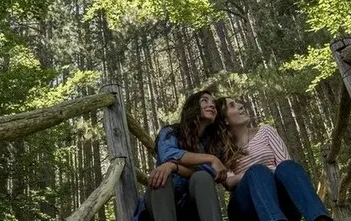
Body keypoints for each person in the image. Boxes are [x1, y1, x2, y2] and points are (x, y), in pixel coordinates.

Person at [215, 97, 332, 221]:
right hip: (249, 209)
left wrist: (262, 172)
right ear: (225, 120)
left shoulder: (266, 131)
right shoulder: (222, 147)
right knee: (258, 171)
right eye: (232, 105)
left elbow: (285, 168)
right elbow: (229, 182)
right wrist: (256, 173)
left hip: (283, 204)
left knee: (288, 166)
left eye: (237, 103)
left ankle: (320, 218)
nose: (240, 105)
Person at [134, 89, 227, 221]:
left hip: (192, 207)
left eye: (213, 103)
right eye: (204, 101)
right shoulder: (170, 132)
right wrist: (211, 159)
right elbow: (169, 154)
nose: (212, 105)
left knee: (202, 177)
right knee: (162, 177)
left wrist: (174, 167)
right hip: (159, 203)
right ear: (192, 107)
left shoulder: (212, 144)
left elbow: (211, 172)